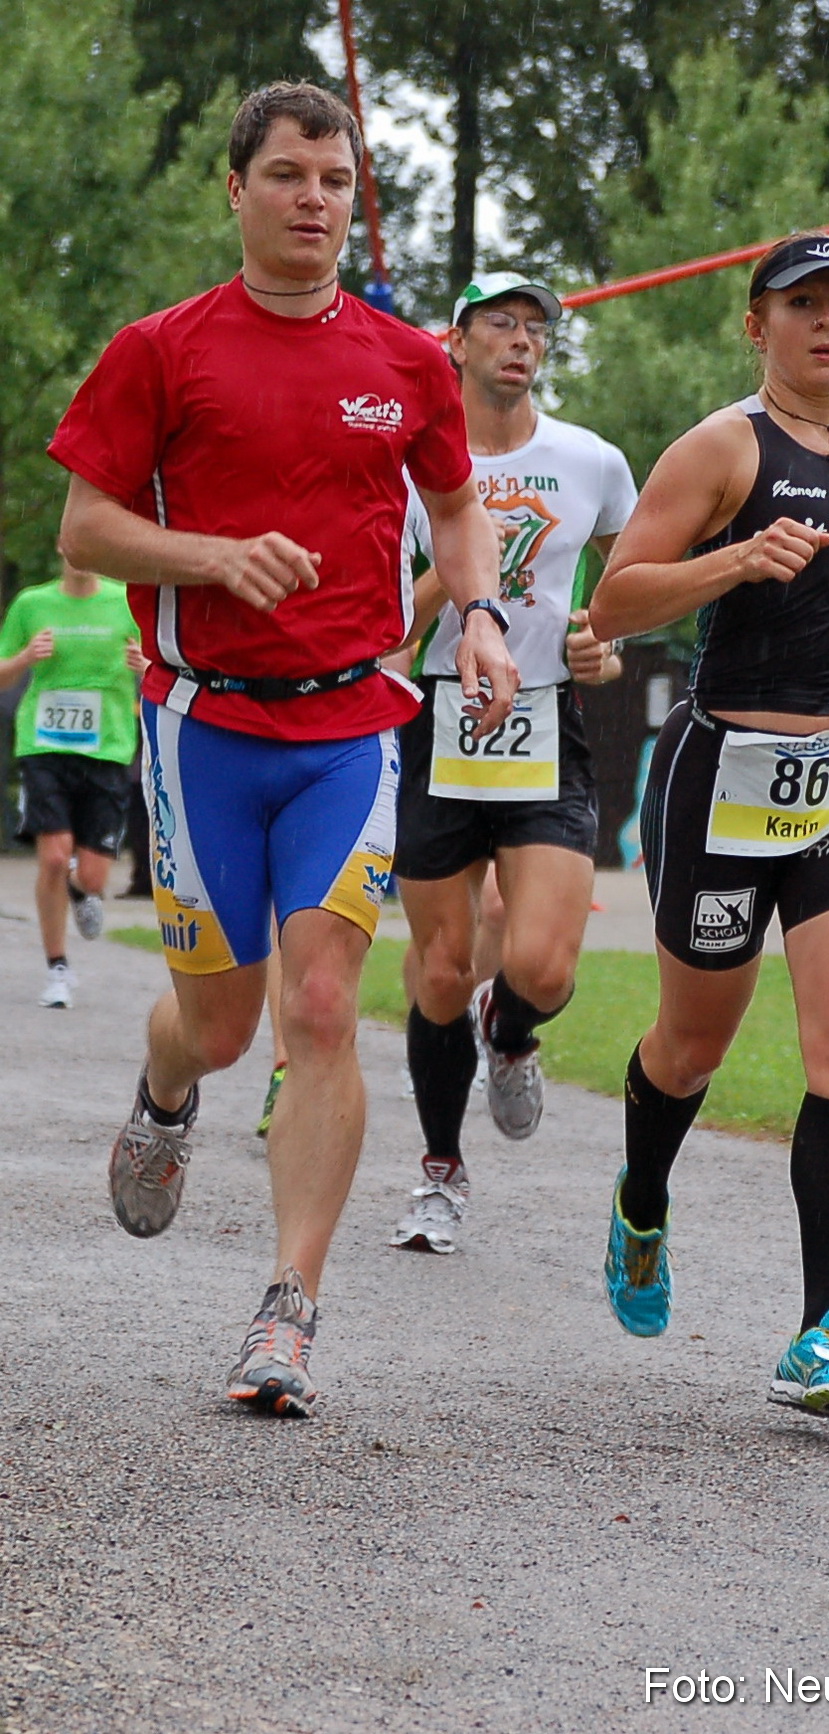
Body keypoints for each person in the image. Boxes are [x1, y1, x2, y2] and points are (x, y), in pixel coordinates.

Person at [48, 81, 516, 1418]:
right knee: (224, 1016)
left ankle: (287, 1310)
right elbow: (85, 530)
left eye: (336, 175)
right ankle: (167, 1082)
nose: (317, 197)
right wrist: (208, 554)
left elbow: (457, 505)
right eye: (290, 175)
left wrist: (475, 610)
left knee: (319, 1009)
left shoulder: (407, 362)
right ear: (236, 189)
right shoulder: (161, 350)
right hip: (200, 723)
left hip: (351, 721)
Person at [588, 233, 829, 1421]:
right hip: (724, 774)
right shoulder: (720, 446)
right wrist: (737, 559)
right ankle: (642, 1196)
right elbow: (619, 596)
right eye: (803, 303)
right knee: (691, 1045)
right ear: (755, 325)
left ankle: (823, 1330)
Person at [389, 272, 636, 1255]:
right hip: (436, 725)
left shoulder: (593, 461)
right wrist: (454, 567)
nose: (522, 340)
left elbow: (625, 595)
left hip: (546, 727)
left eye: (537, 326)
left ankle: (515, 1031)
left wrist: (604, 647)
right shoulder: (408, 464)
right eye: (502, 323)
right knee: (441, 972)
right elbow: (383, 621)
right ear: (455, 341)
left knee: (541, 962)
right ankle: (440, 1173)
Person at [0, 553, 145, 1007]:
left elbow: (169, 672)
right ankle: (57, 968)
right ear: (61, 552)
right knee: (53, 858)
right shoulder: (31, 603)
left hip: (107, 749)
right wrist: (26, 656)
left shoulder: (127, 601)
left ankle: (85, 891)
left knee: (94, 872)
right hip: (44, 746)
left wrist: (145, 666)